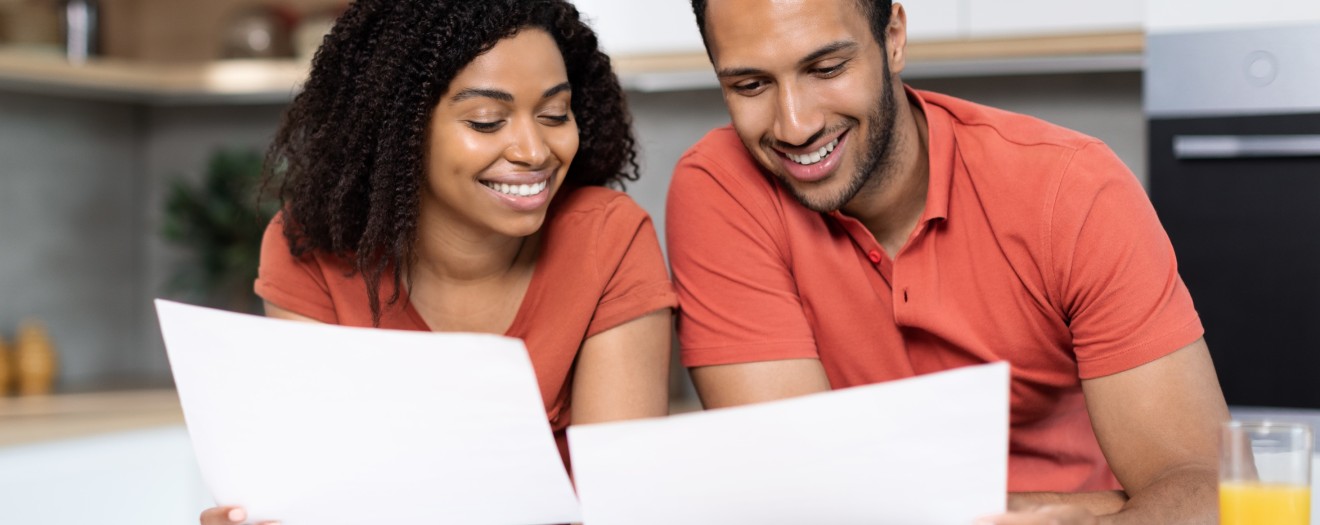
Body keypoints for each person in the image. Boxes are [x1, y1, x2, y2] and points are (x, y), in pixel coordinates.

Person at [666, 0, 1228, 523]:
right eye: (750, 84)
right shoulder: (721, 188)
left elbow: (1204, 485)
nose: (794, 125)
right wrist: (1091, 509)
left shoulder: (1071, 189)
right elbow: (802, 497)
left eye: (827, 68)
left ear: (892, 38)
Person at [200, 1, 676, 523]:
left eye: (555, 115)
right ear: (398, 132)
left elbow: (625, 507)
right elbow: (321, 492)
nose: (534, 150)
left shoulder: (608, 240)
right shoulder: (310, 247)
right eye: (487, 121)